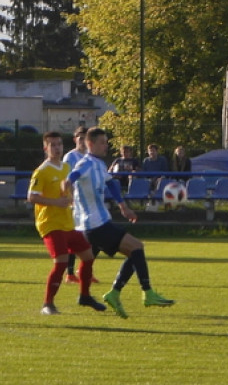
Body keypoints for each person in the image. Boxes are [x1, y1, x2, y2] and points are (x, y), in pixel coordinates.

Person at [63, 127, 174, 318]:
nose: (106, 146)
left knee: (134, 251)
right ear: (90, 144)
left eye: (106, 142)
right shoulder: (86, 163)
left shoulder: (98, 164)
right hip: (95, 225)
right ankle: (146, 293)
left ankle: (111, 294)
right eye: (102, 142)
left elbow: (111, 183)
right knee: (137, 248)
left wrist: (123, 206)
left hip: (98, 223)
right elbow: (71, 177)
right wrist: (67, 187)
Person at [27, 131, 107, 315]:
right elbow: (31, 197)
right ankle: (48, 304)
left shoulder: (65, 168)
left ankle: (85, 296)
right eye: (53, 145)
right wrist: (56, 202)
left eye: (59, 145)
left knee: (88, 256)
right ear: (45, 148)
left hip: (69, 223)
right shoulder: (42, 171)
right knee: (61, 262)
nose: (57, 148)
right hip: (51, 223)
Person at [61, 126, 95, 284]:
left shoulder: (91, 157)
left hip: (89, 204)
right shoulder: (70, 157)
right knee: (76, 238)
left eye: (85, 138)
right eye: (80, 138)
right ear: (75, 140)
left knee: (91, 240)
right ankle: (70, 273)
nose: (82, 141)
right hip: (75, 204)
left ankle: (84, 271)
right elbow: (66, 179)